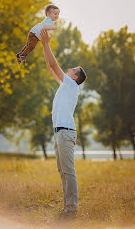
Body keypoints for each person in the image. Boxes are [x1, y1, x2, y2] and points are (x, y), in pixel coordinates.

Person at [40, 29, 87, 216]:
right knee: (62, 170)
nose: (69, 69)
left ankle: (72, 207)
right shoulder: (66, 85)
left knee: (68, 170)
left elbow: (54, 64)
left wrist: (46, 43)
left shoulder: (71, 84)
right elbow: (50, 66)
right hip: (60, 132)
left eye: (73, 69)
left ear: (75, 77)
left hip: (66, 132)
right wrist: (44, 45)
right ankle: (68, 205)